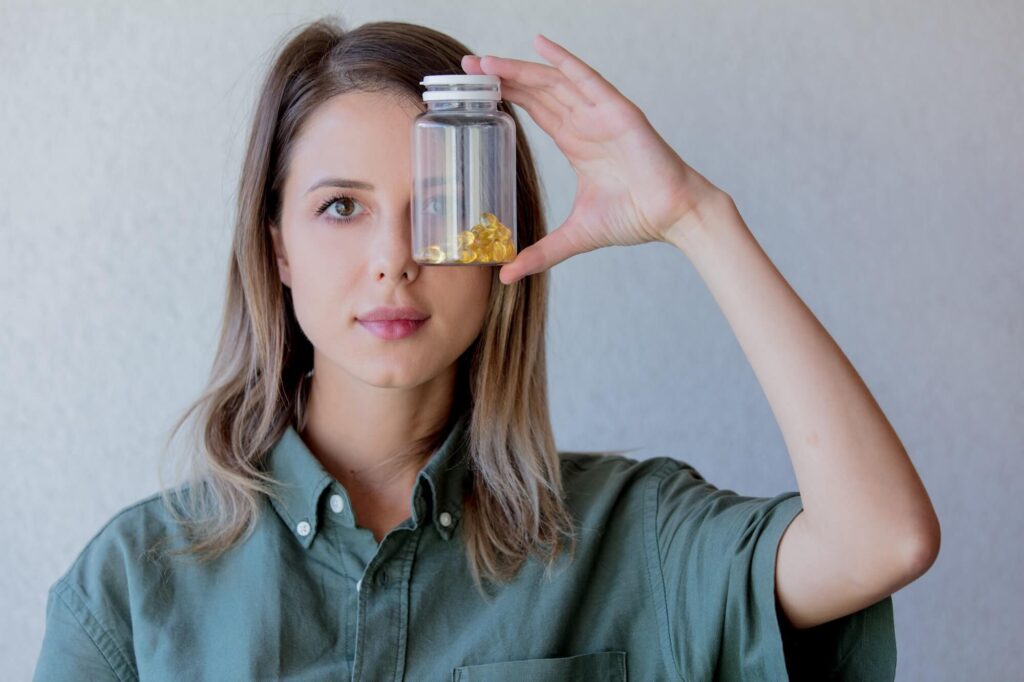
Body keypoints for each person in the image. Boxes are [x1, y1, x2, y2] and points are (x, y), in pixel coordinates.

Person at [33, 16, 939, 681]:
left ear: (499, 236)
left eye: (438, 206)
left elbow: (883, 541)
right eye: (341, 207)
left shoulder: (638, 538)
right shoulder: (129, 592)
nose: (394, 258)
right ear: (276, 245)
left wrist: (694, 217)